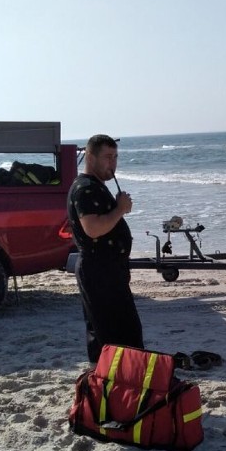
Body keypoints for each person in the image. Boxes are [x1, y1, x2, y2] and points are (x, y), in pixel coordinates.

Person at [67, 134, 143, 362]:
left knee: (119, 334)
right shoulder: (85, 189)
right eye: (107, 157)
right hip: (99, 271)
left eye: (116, 157)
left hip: (107, 270)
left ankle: (116, 386)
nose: (113, 163)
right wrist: (119, 209)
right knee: (114, 337)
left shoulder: (94, 186)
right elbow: (93, 228)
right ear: (90, 157)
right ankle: (113, 387)